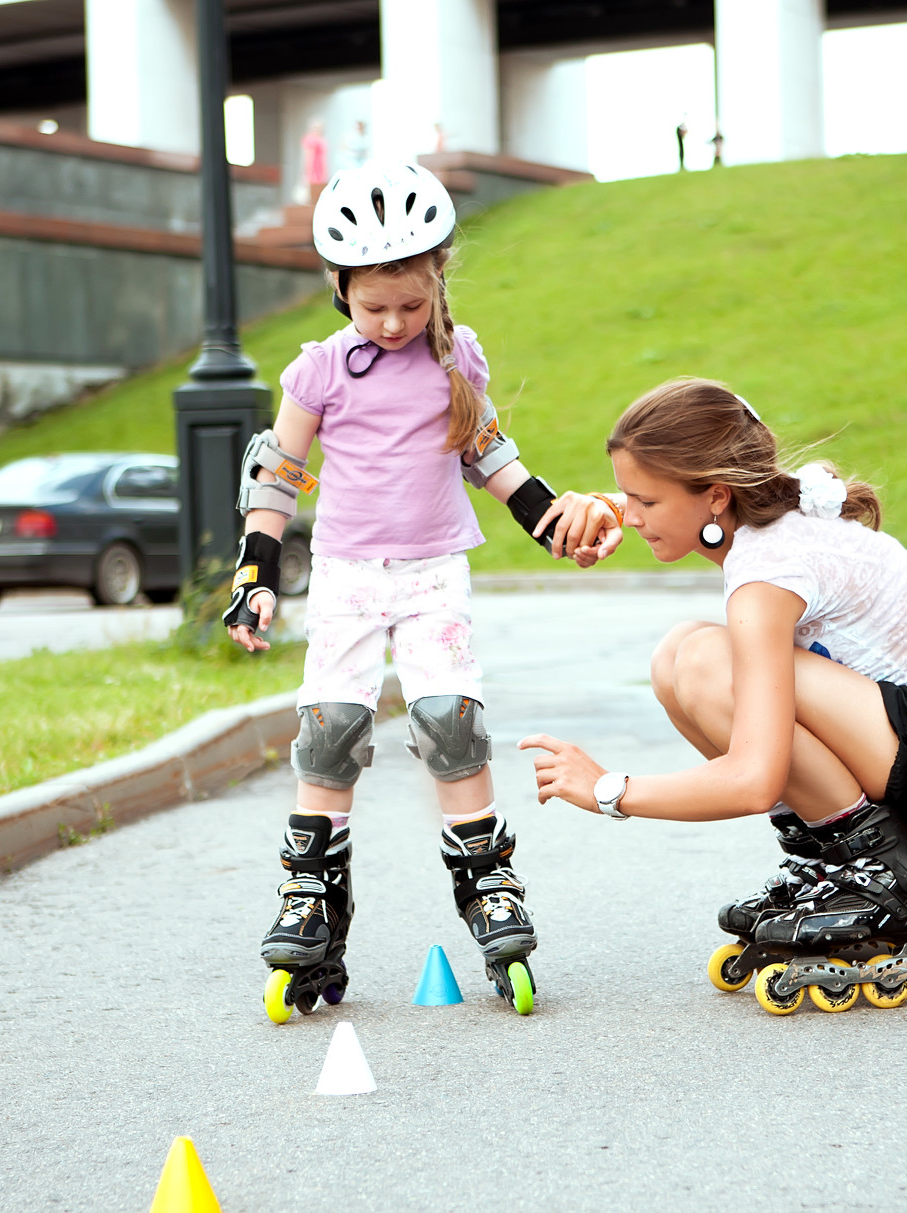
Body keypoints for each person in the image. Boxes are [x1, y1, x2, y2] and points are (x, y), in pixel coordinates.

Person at [224, 160, 622, 1025]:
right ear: (339, 289)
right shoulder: (319, 370)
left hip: (434, 571)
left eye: (413, 303)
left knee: (451, 720)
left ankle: (490, 882)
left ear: (439, 278)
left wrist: (551, 519)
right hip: (346, 578)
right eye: (376, 308)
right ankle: (311, 898)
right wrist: (255, 574)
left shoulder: (454, 356)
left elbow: (488, 453)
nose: (396, 322)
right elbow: (279, 474)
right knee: (330, 730)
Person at [520, 379, 907, 1015]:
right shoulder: (762, 513)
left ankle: (886, 881)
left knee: (709, 661)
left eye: (643, 500)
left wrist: (607, 790)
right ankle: (835, 860)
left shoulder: (768, 570)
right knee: (676, 656)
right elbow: (689, 499)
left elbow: (751, 780)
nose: (629, 516)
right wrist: (606, 501)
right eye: (626, 495)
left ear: (715, 495)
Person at [301, 121, 329, 202]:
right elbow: (308, 157)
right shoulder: (310, 140)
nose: (317, 130)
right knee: (310, 195)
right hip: (312, 171)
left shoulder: (322, 139)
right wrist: (307, 171)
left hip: (321, 171)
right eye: (315, 128)